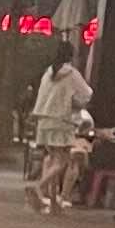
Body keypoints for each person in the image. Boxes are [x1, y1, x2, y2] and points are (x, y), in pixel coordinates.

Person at [26, 48, 89, 213]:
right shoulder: (72, 74)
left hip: (43, 120)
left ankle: (54, 203)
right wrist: (74, 101)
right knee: (63, 161)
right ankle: (39, 186)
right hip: (61, 120)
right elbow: (87, 93)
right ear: (72, 57)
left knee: (53, 159)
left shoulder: (48, 73)